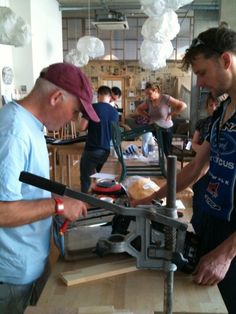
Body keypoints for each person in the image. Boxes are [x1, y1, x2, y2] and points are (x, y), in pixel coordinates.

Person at [131, 26, 236, 313]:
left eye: (202, 72)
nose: (199, 83)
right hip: (209, 223)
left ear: (225, 61)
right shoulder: (222, 113)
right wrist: (148, 201)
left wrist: (227, 253)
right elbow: (194, 170)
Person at [0, 62, 100, 314]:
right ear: (57, 97)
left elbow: (22, 191)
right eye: (76, 111)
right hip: (11, 276)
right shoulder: (14, 131)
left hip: (30, 261)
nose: (75, 119)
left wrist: (55, 198)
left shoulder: (29, 126)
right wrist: (58, 205)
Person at [79, 85, 119, 193]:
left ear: (98, 95)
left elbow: (81, 127)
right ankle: (98, 199)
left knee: (85, 177)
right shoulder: (115, 112)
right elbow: (114, 133)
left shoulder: (91, 107)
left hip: (92, 149)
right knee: (100, 178)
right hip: (106, 150)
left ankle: (85, 201)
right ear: (110, 97)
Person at [135, 82, 187, 157]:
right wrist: (147, 116)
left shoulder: (165, 98)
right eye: (146, 94)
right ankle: (154, 166)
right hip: (153, 128)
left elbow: (183, 105)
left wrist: (171, 114)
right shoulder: (148, 101)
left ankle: (166, 167)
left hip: (165, 129)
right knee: (151, 150)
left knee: (166, 152)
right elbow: (138, 109)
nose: (148, 96)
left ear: (155, 90)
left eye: (149, 93)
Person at [191, 92, 218, 234]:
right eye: (210, 105)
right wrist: (204, 150)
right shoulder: (202, 123)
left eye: (216, 105)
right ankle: (196, 231)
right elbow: (193, 143)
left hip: (218, 169)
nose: (213, 108)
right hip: (200, 164)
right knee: (199, 197)